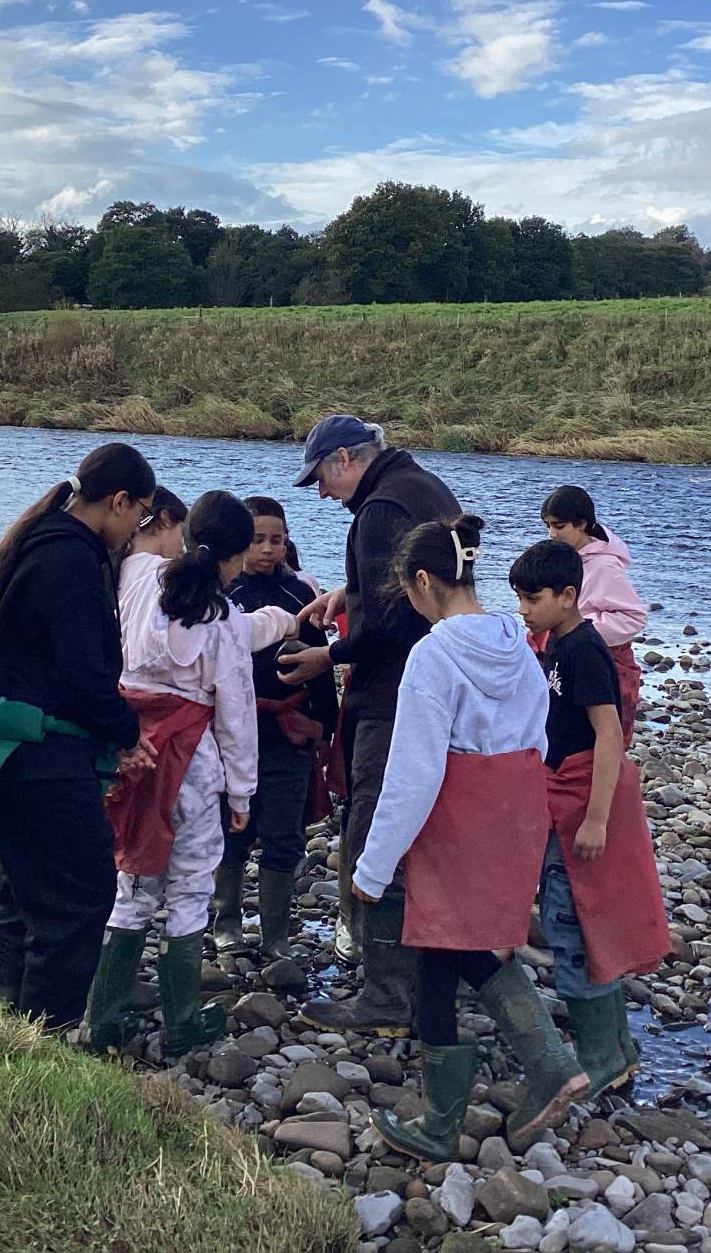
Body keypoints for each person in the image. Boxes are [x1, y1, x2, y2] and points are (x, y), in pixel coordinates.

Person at [351, 515, 588, 1159]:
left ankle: (443, 1122)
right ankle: (549, 1064)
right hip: (511, 812)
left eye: (409, 591)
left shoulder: (432, 656)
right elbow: (538, 737)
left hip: (454, 819)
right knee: (460, 947)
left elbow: (414, 772)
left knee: (436, 953)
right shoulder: (519, 640)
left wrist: (373, 866)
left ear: (424, 581)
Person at [0, 443, 158, 1031]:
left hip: (13, 754)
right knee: (79, 900)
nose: (136, 529)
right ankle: (45, 1038)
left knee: (27, 892)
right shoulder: (71, 558)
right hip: (42, 756)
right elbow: (81, 676)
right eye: (140, 514)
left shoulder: (41, 538)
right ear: (119, 500)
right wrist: (127, 732)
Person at [87, 491, 298, 1058]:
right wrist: (242, 792)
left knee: (133, 877)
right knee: (190, 884)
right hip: (191, 761)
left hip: (132, 749)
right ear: (236, 556)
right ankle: (181, 1018)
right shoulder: (221, 617)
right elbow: (236, 713)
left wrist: (273, 620)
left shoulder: (136, 579)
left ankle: (103, 1017)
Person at [280, 415, 459, 1035]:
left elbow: (385, 623)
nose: (322, 492)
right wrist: (348, 591)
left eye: (321, 478)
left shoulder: (380, 509)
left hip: (392, 694)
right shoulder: (424, 485)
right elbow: (408, 587)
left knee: (375, 831)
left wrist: (328, 655)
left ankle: (385, 995)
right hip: (439, 684)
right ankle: (434, 974)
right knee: (426, 830)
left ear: (346, 459)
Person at [512, 537, 671, 1097]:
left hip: (582, 800)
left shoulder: (583, 650)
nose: (524, 609)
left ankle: (600, 1054)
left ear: (568, 595)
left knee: (572, 920)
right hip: (559, 792)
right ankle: (618, 1049)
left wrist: (597, 819)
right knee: (576, 915)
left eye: (532, 599)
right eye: (520, 598)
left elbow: (609, 735)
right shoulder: (555, 642)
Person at [215, 496, 338, 966]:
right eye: (256, 540)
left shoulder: (300, 595)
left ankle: (276, 936)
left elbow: (321, 665)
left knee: (285, 834)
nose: (267, 549)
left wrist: (325, 725)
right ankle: (226, 924)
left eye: (276, 540)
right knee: (231, 830)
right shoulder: (223, 595)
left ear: (288, 543)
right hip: (231, 732)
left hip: (289, 732)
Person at [540, 485, 646, 742]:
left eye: (559, 526)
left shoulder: (604, 566)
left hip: (605, 662)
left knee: (602, 737)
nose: (552, 533)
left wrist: (578, 629)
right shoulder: (567, 557)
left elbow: (633, 617)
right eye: (548, 526)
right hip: (570, 656)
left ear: (582, 524)